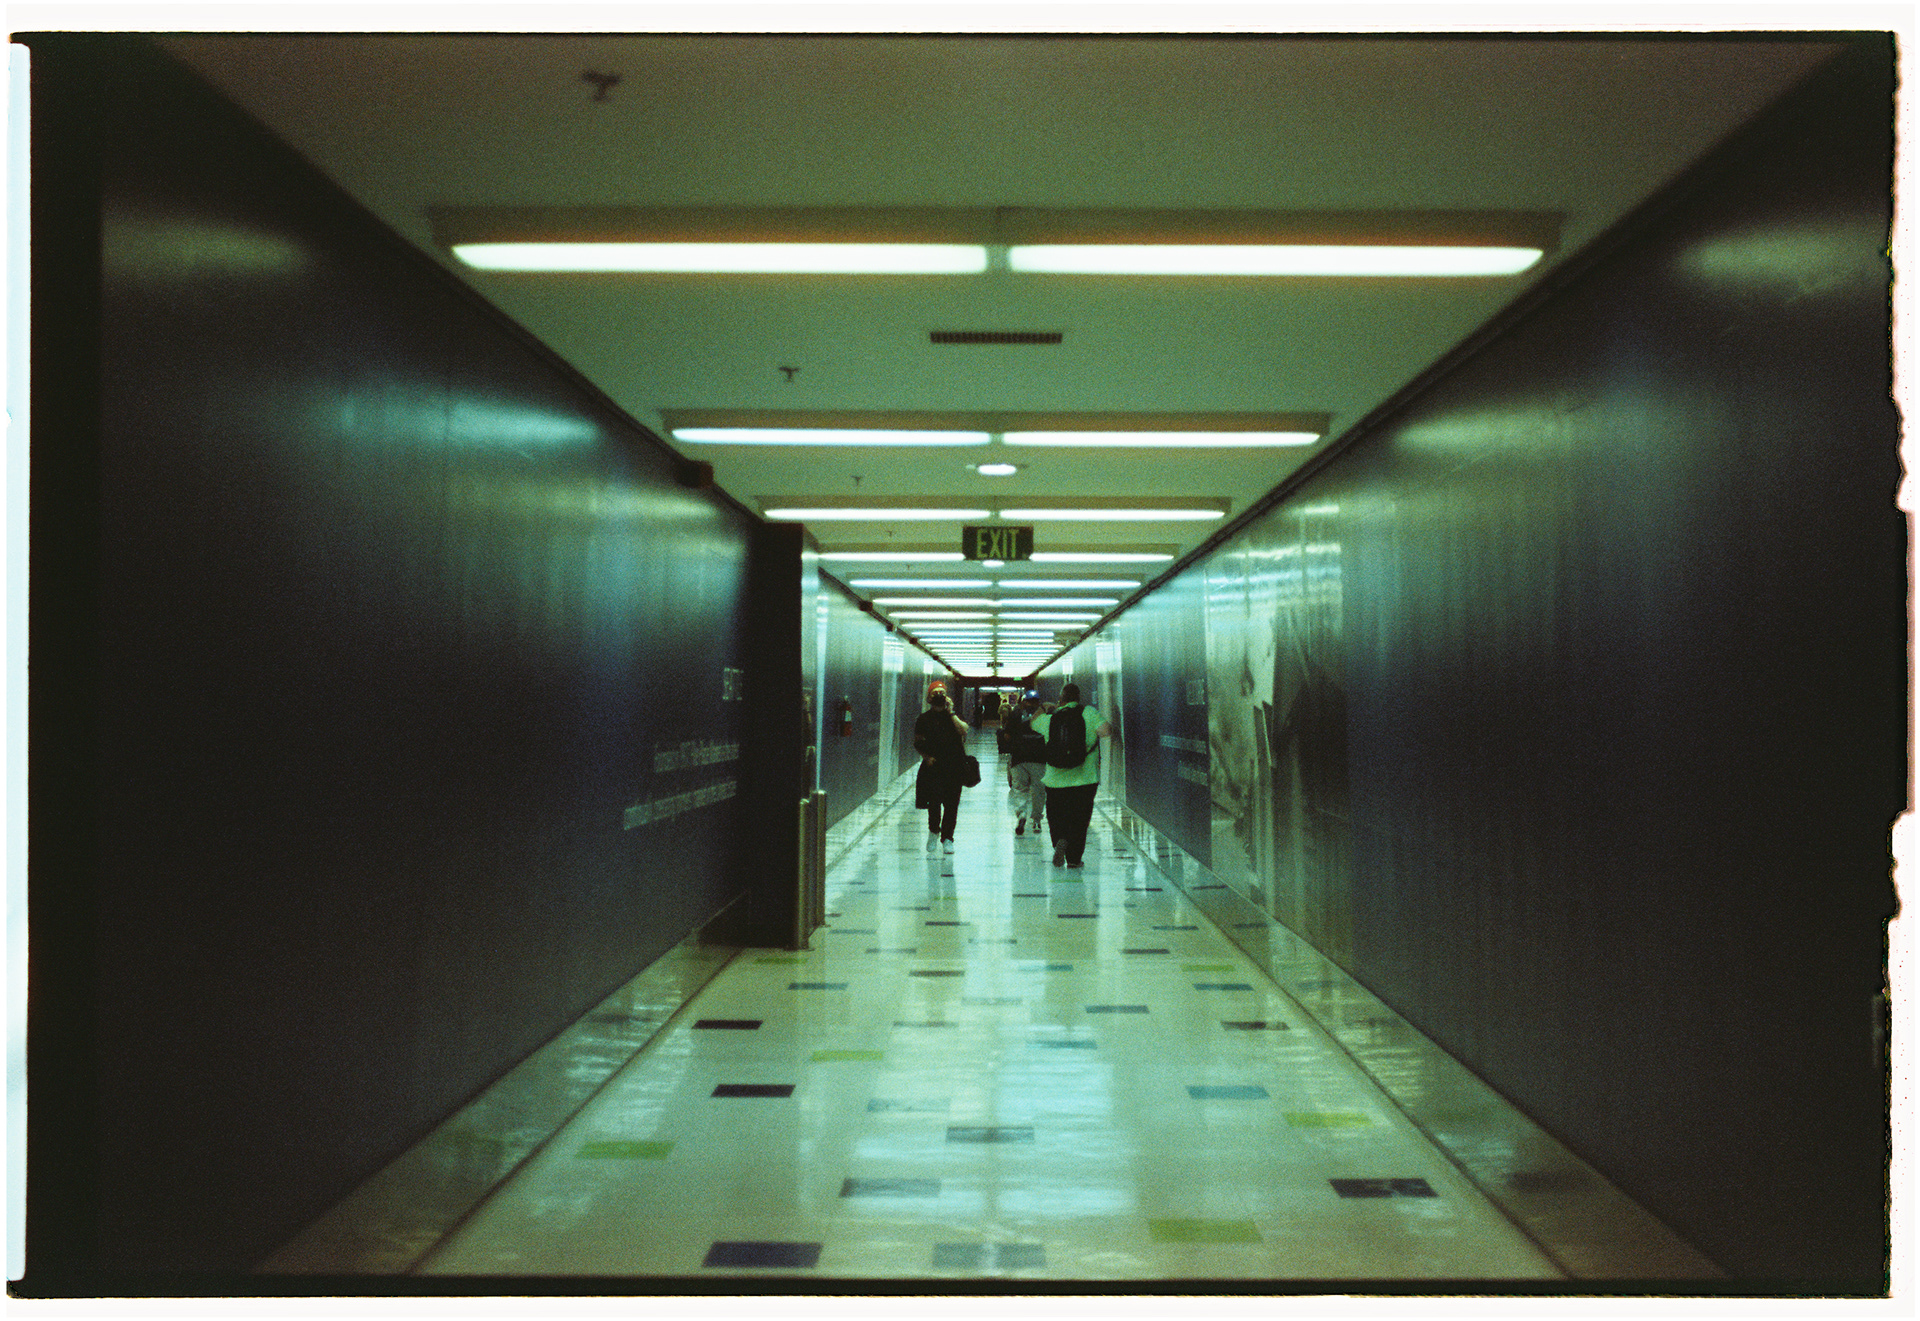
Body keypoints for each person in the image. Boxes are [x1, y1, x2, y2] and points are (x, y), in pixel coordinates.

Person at [1030, 682, 1116, 868]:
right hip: (1085, 779)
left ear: (1061, 700)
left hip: (1055, 780)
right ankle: (1074, 859)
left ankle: (1060, 840)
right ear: (1078, 698)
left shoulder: (1051, 718)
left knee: (1056, 815)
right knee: (1079, 820)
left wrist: (1044, 707)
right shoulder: (1088, 713)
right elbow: (1105, 731)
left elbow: (1033, 722)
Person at [913, 689, 969, 853]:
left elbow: (964, 730)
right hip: (934, 767)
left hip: (954, 766)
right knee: (934, 802)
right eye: (935, 694)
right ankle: (933, 831)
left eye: (942, 694)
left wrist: (951, 713)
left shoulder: (954, 717)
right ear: (929, 698)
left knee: (952, 804)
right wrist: (926, 757)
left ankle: (948, 838)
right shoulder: (924, 718)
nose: (939, 697)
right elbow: (917, 741)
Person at [1002, 692, 1048, 837]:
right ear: (1038, 701)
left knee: (1020, 789)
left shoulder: (1016, 713)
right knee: (1038, 790)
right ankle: (1036, 820)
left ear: (1024, 701)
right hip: (1039, 759)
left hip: (1019, 758)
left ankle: (1022, 814)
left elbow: (1007, 735)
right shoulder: (1043, 714)